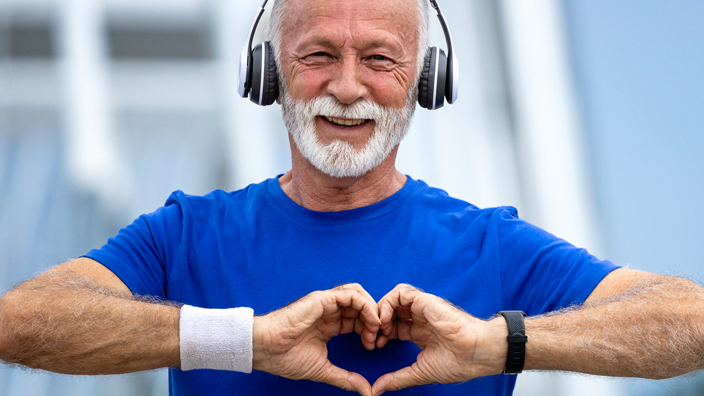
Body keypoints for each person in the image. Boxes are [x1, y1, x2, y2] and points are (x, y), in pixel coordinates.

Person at [0, 0, 703, 395]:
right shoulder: (188, 235)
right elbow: (21, 321)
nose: (345, 86)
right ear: (268, 72)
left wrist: (497, 343)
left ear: (426, 82)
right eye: (317, 56)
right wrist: (245, 339)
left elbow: (690, 323)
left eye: (378, 58)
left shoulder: (491, 247)